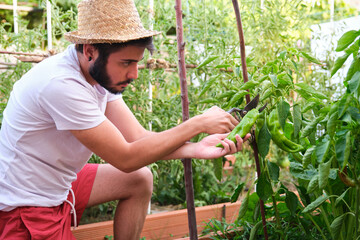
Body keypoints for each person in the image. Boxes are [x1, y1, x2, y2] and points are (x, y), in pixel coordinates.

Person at [0, 0, 250, 239]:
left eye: (137, 62)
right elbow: (126, 158)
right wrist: (197, 124)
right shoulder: (61, 85)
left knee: (140, 179)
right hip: (25, 206)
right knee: (133, 170)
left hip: (57, 182)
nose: (134, 74)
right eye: (126, 63)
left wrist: (196, 148)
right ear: (90, 51)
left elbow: (139, 140)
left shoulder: (96, 76)